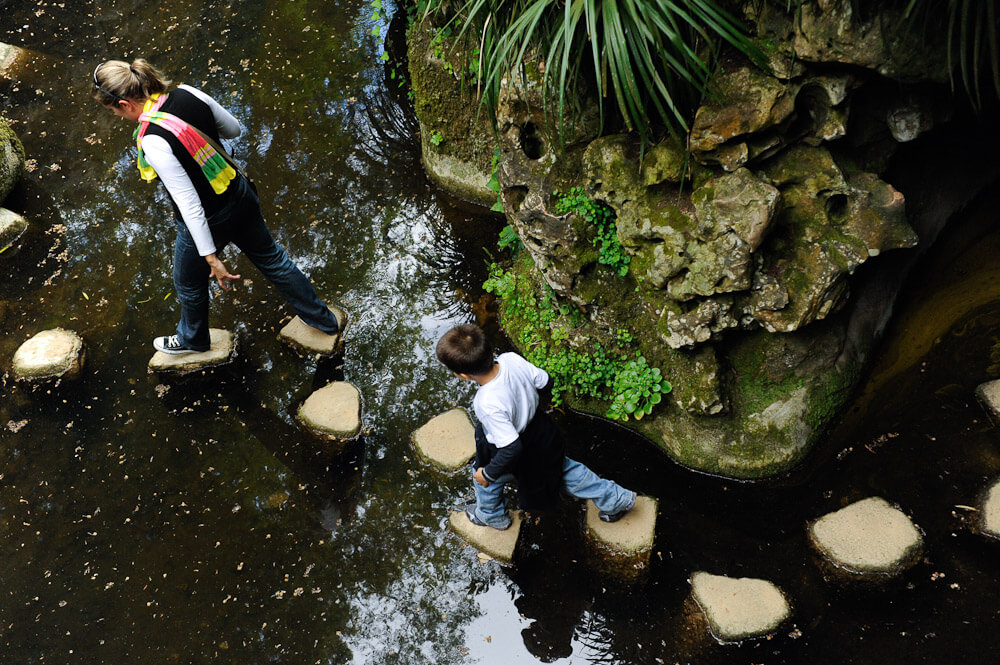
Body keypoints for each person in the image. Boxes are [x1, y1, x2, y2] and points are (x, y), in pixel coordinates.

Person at [92, 58, 342, 354]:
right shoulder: (187, 92)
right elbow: (234, 129)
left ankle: (193, 340)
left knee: (187, 283)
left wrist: (211, 257)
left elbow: (189, 204)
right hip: (239, 192)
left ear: (125, 103)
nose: (118, 116)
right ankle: (324, 321)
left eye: (113, 111)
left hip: (210, 218)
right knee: (273, 259)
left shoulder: (153, 140)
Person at [436, 324, 636, 530]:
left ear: (464, 375)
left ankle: (492, 515)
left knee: (483, 476)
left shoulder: (486, 402)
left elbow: (511, 448)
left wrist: (487, 473)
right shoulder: (510, 359)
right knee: (561, 469)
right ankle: (613, 498)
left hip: (518, 450)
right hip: (542, 433)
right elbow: (546, 382)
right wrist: (524, 401)